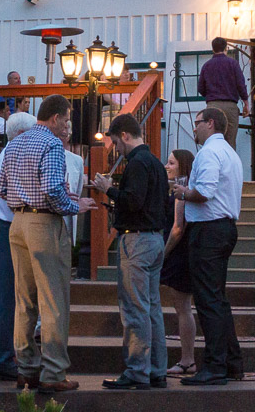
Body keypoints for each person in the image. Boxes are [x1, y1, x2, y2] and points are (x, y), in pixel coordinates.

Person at [0, 94, 99, 395]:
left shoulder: (14, 144)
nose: (68, 126)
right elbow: (53, 187)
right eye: (67, 120)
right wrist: (72, 205)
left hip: (17, 224)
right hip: (44, 223)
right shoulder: (51, 144)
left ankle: (26, 369)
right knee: (53, 300)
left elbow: (1, 187)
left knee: (23, 300)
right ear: (55, 118)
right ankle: (53, 372)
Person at [91, 114, 170, 391]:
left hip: (136, 242)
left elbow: (133, 202)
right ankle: (157, 370)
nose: (116, 148)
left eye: (115, 141)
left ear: (124, 135)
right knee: (153, 308)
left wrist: (108, 189)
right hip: (155, 239)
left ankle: (137, 371)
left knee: (135, 309)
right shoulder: (157, 165)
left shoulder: (136, 163)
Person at [175, 108, 243, 387]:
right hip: (223, 228)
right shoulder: (230, 153)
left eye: (198, 123)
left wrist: (181, 192)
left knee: (208, 301)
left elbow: (205, 191)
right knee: (218, 299)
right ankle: (232, 363)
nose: (194, 128)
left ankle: (214, 366)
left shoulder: (210, 153)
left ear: (211, 123)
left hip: (209, 230)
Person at [0, 111, 38, 382]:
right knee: (8, 295)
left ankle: (5, 355)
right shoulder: (12, 157)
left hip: (8, 225)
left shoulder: (8, 154)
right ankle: (3, 358)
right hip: (10, 227)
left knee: (10, 296)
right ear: (20, 135)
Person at [159, 148, 198, 378]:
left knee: (183, 307)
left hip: (178, 254)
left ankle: (187, 359)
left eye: (171, 162)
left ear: (182, 167)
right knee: (181, 307)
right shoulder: (175, 190)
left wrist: (162, 255)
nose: (167, 165)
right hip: (177, 254)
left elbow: (177, 227)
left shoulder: (179, 192)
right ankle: (187, 358)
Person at [196, 37, 249, 148]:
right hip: (230, 106)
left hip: (212, 106)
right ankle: (229, 164)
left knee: (212, 139)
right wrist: (246, 103)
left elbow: (200, 88)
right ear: (226, 48)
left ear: (213, 49)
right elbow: (240, 84)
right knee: (230, 140)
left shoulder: (207, 65)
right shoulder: (233, 64)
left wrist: (211, 95)